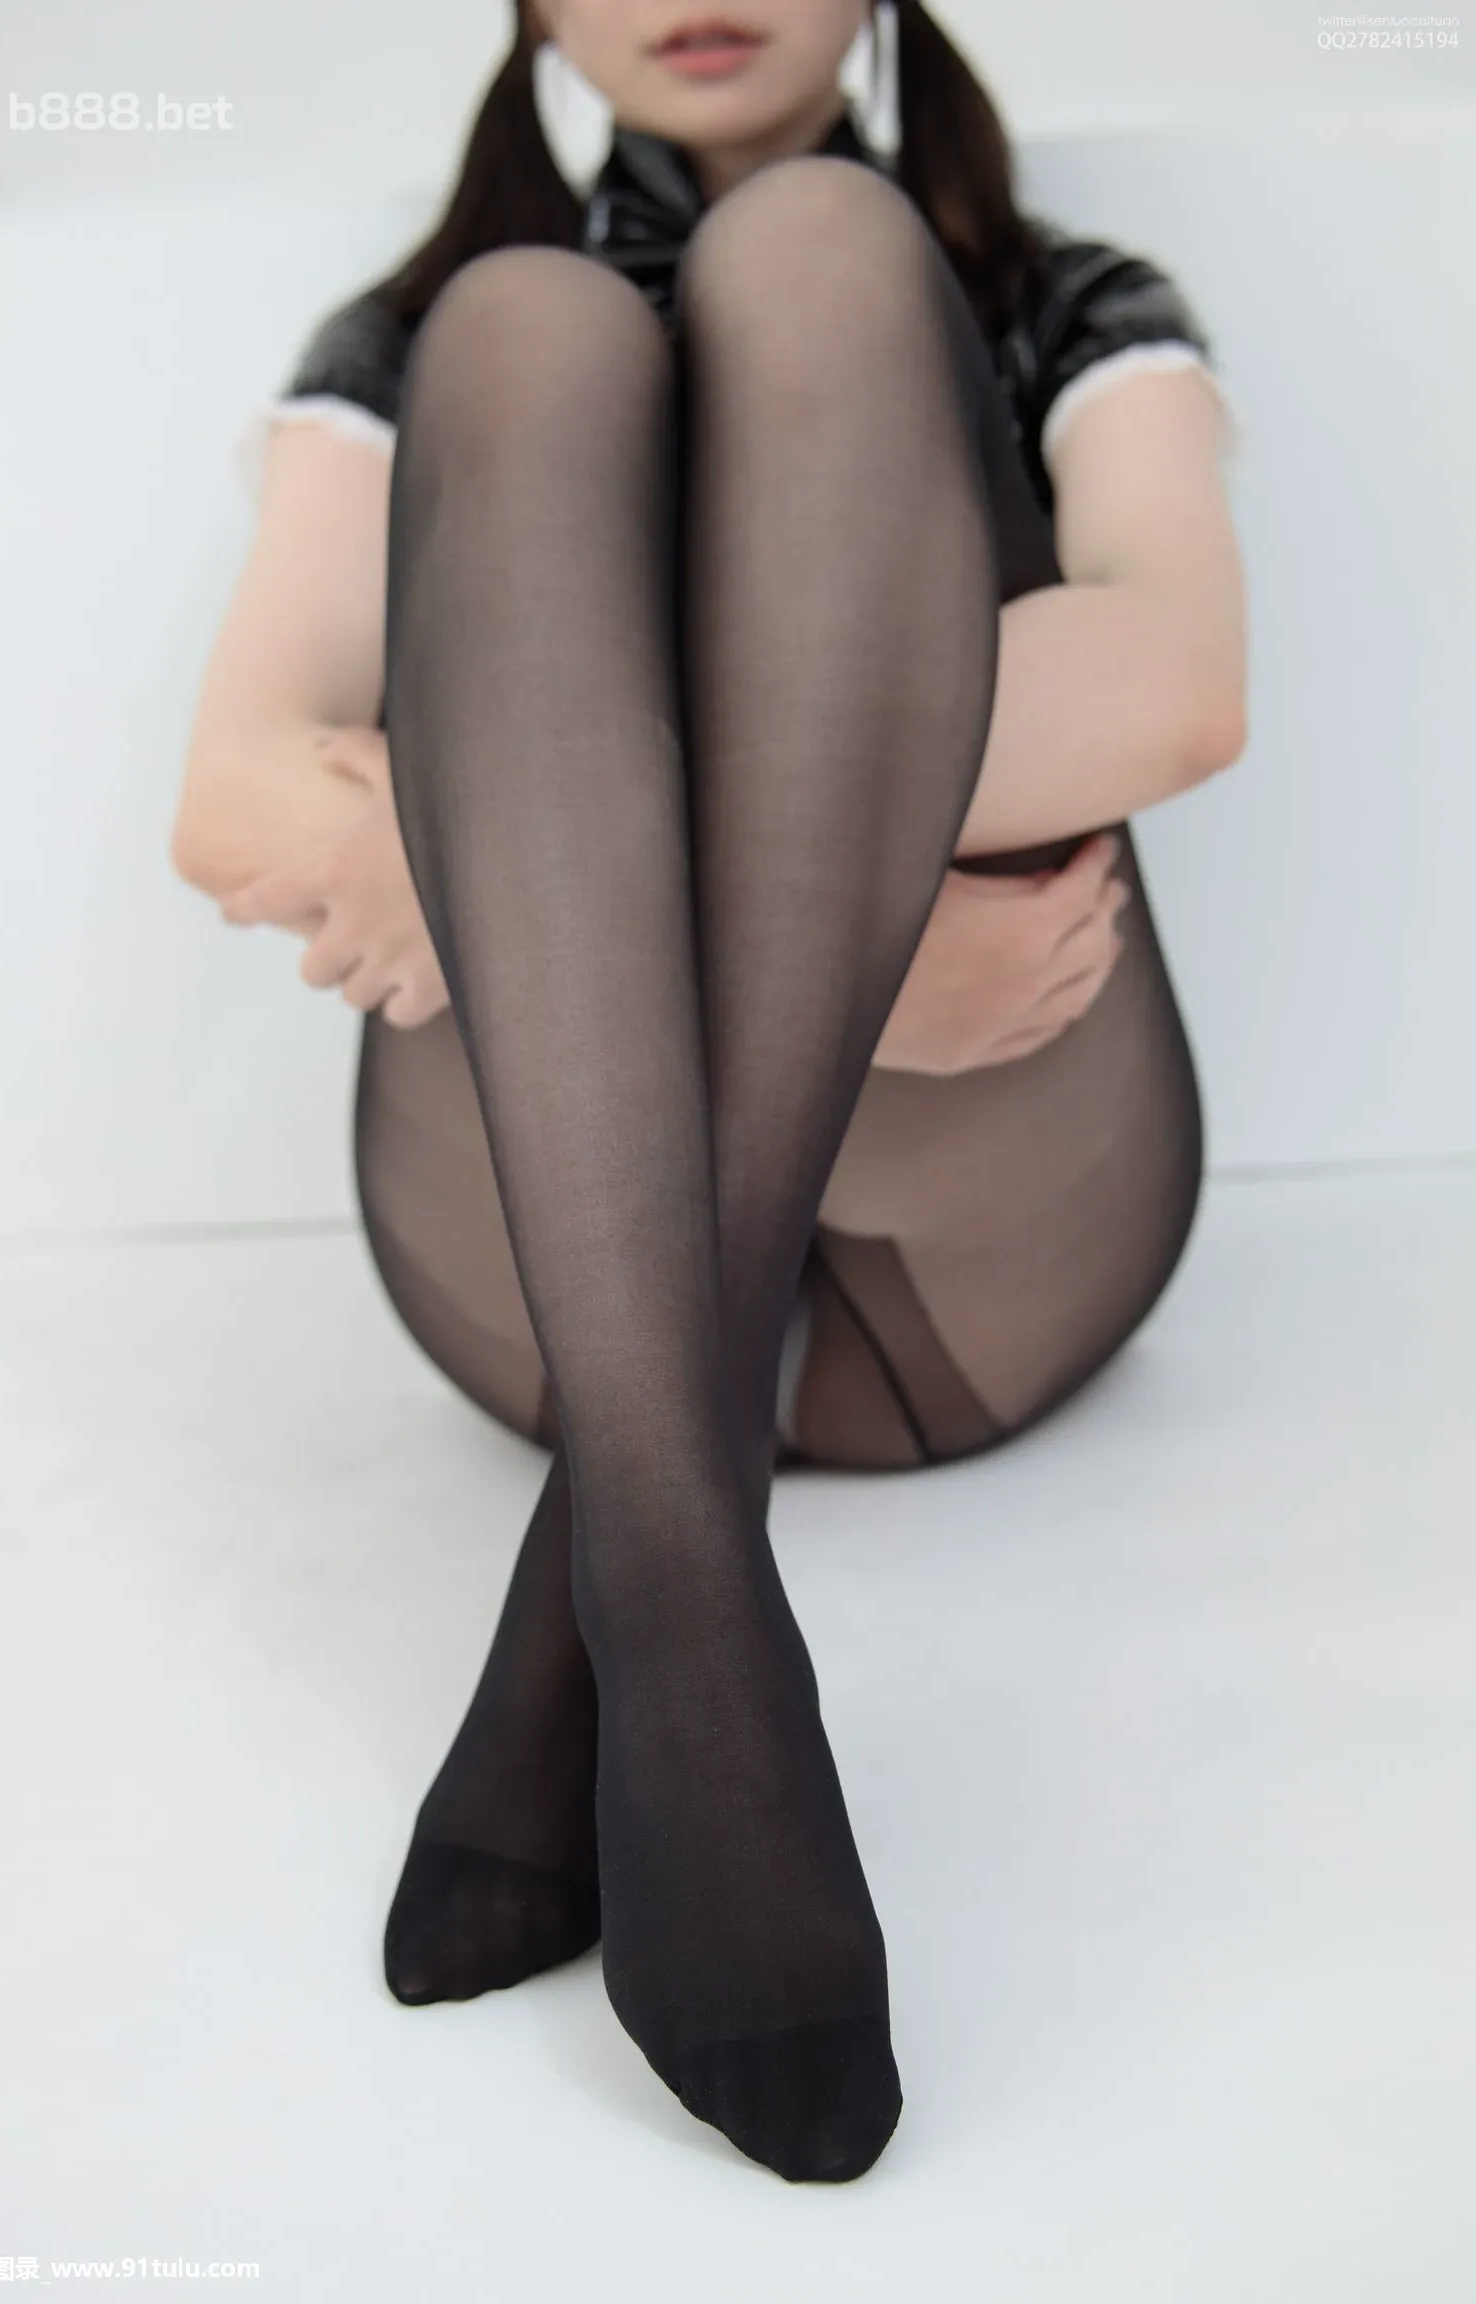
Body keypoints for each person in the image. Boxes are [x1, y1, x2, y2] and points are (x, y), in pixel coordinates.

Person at [171, 0, 1247, 2186]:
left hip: (984, 1214)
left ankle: (589, 1633)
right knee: (528, 334)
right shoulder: (406, 336)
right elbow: (236, 799)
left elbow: (1172, 683)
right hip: (545, 1249)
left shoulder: (1056, 299)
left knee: (825, 263)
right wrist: (859, 934)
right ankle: (683, 1623)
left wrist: (531, 778)